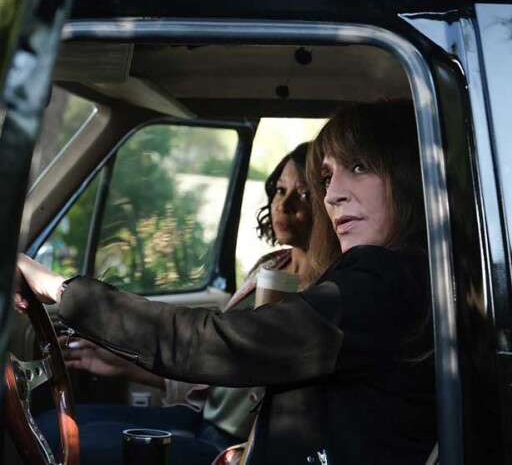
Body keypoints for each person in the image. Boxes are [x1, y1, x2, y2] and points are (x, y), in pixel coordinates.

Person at [16, 100, 437, 464]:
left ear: (407, 174)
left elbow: (218, 343)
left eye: (359, 167)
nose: (332, 195)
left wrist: (61, 289)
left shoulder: (383, 282)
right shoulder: (397, 278)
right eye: (327, 178)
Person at [34, 142, 314, 465]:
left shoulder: (322, 293)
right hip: (202, 419)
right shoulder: (269, 266)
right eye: (280, 190)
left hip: (239, 444)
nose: (285, 205)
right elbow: (215, 360)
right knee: (49, 426)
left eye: (304, 194)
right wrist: (127, 364)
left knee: (62, 444)